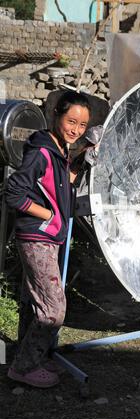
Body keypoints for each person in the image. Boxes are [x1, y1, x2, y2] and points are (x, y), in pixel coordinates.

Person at [5, 91, 91, 388]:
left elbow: (57, 183)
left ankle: (28, 355)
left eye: (82, 125)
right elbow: (14, 191)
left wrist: (80, 157)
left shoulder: (58, 149)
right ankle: (24, 367)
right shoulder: (41, 152)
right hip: (37, 237)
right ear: (55, 115)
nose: (76, 129)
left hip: (46, 237)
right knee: (54, 310)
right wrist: (47, 215)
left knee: (35, 302)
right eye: (71, 121)